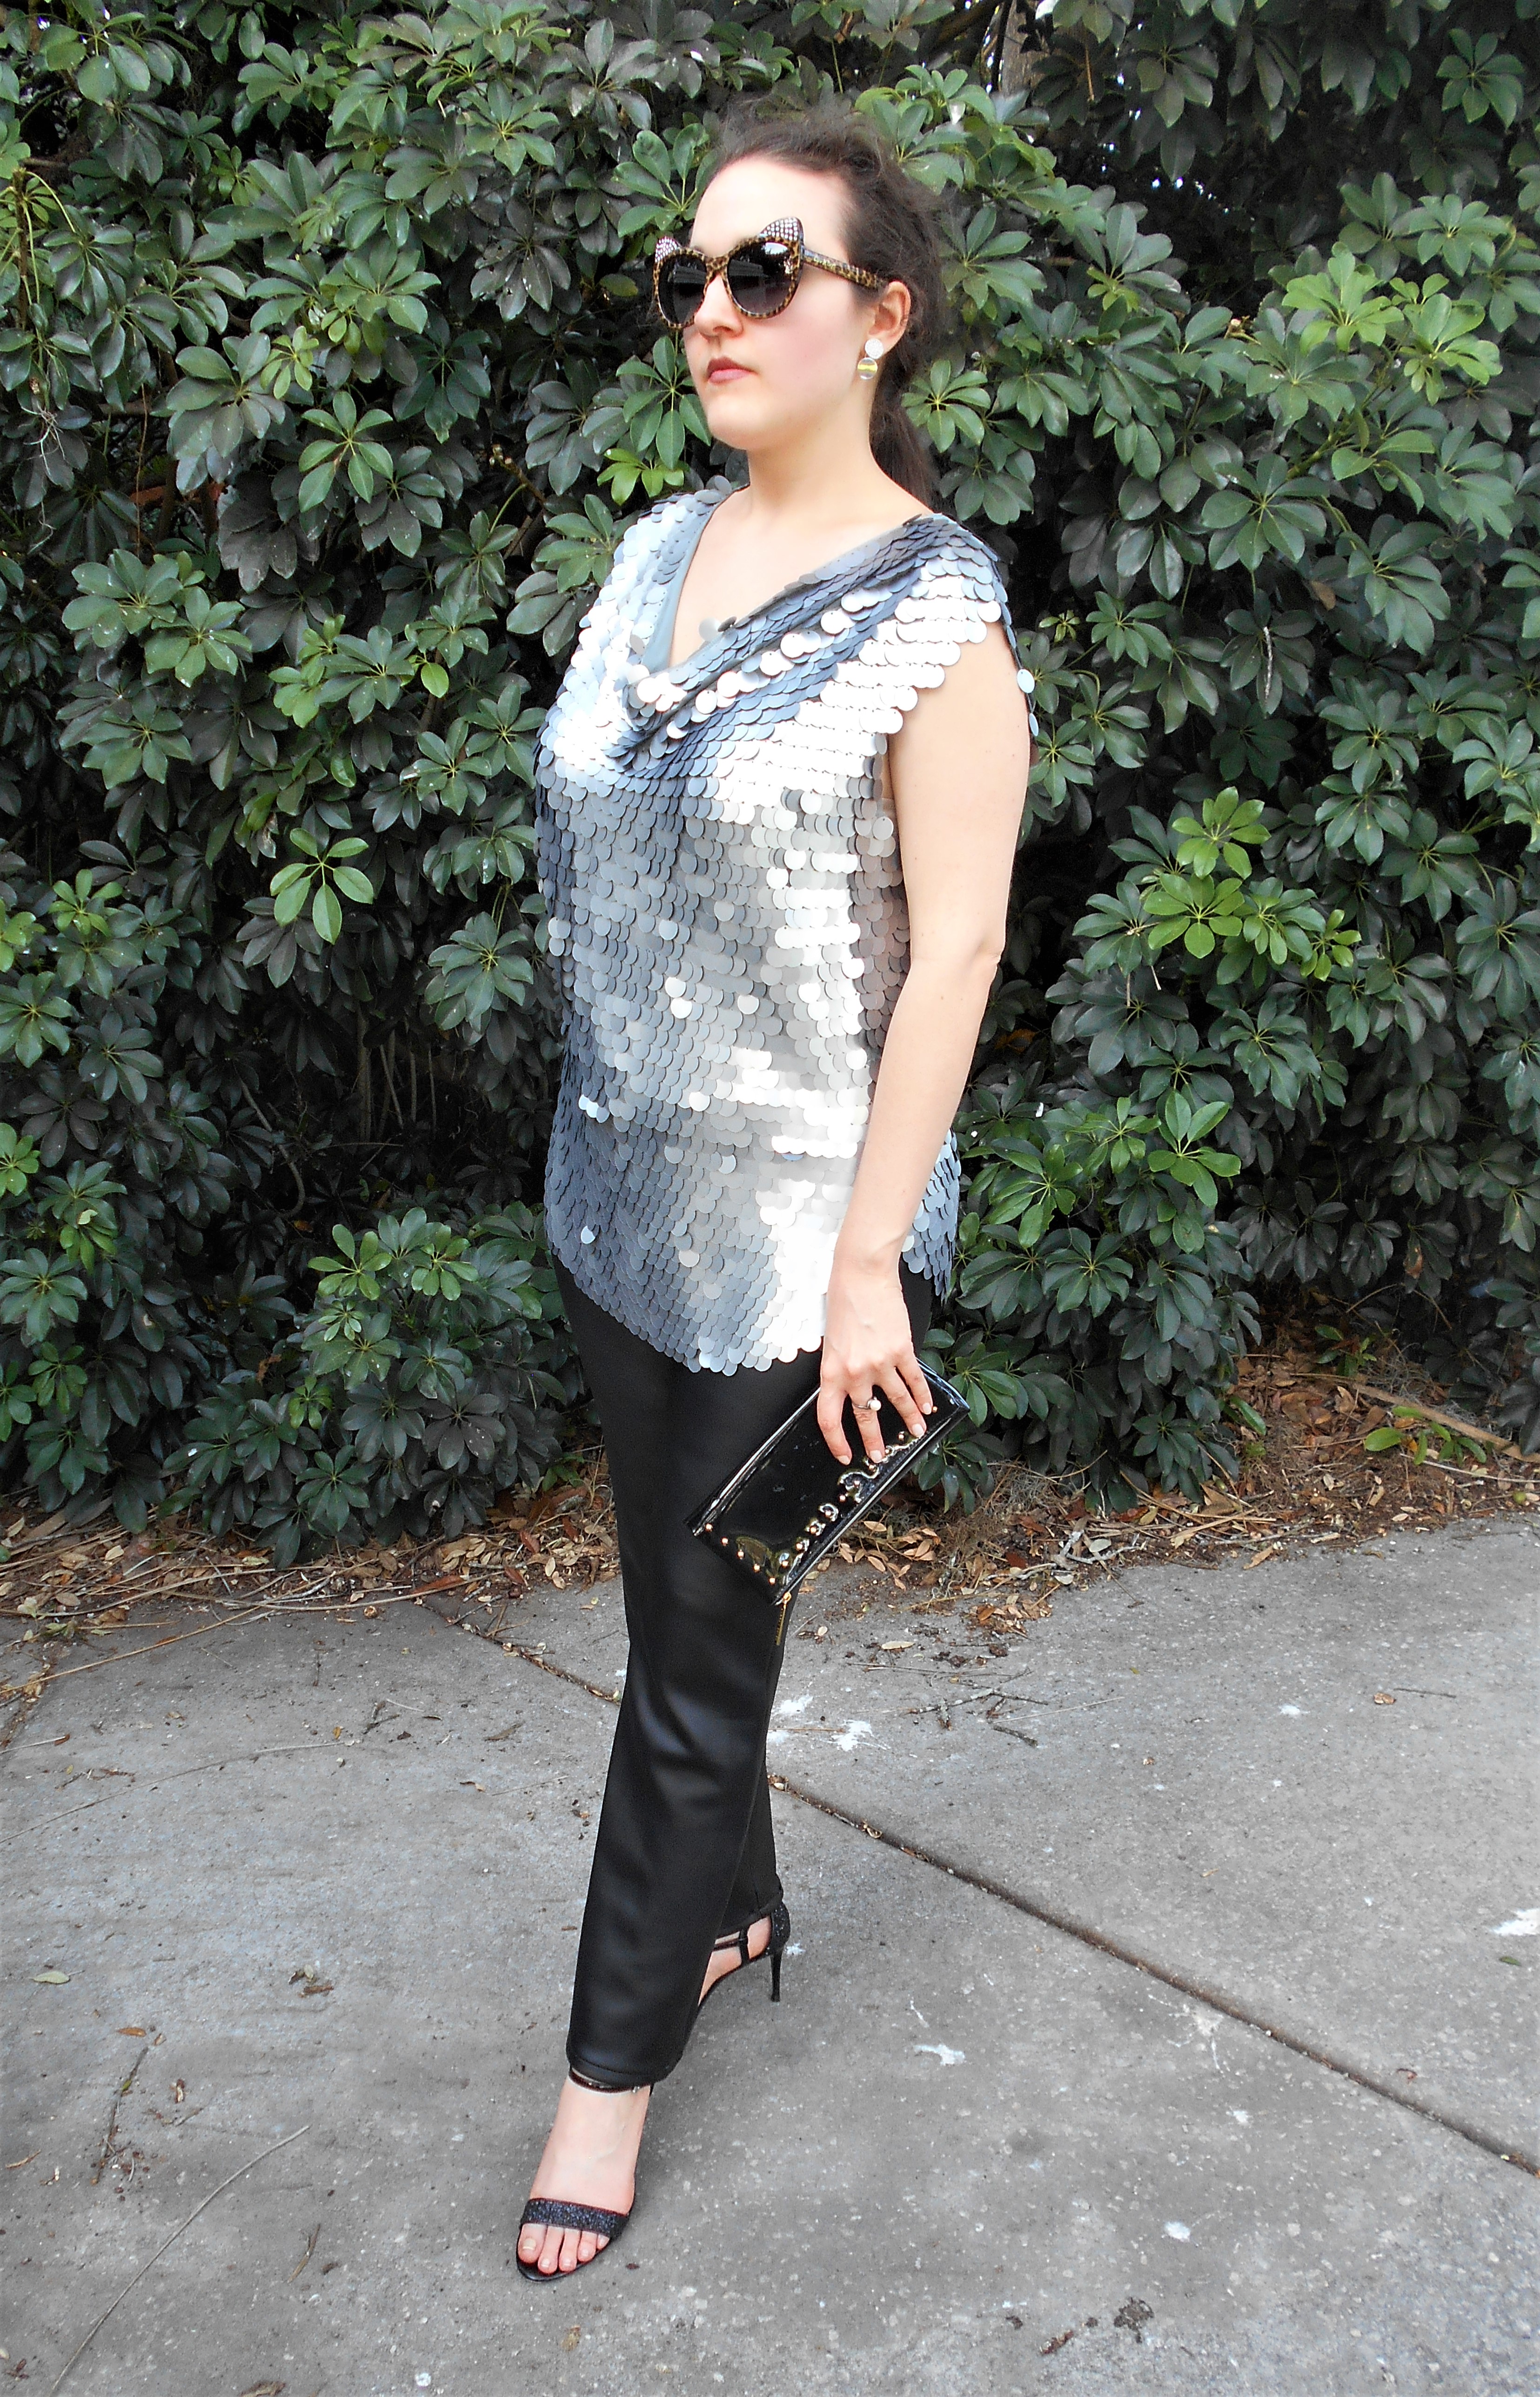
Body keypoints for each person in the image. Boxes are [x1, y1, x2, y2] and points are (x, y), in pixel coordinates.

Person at [516, 94, 1035, 2281]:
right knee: (679, 1616)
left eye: (765, 272)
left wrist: (869, 1268)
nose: (711, 312)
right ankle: (730, 1903)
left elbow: (962, 948)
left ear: (879, 314)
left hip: (797, 1252)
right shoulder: (655, 553)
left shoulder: (938, 620)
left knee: (697, 1658)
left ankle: (604, 2075)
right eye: (689, 277)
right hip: (613, 1195)